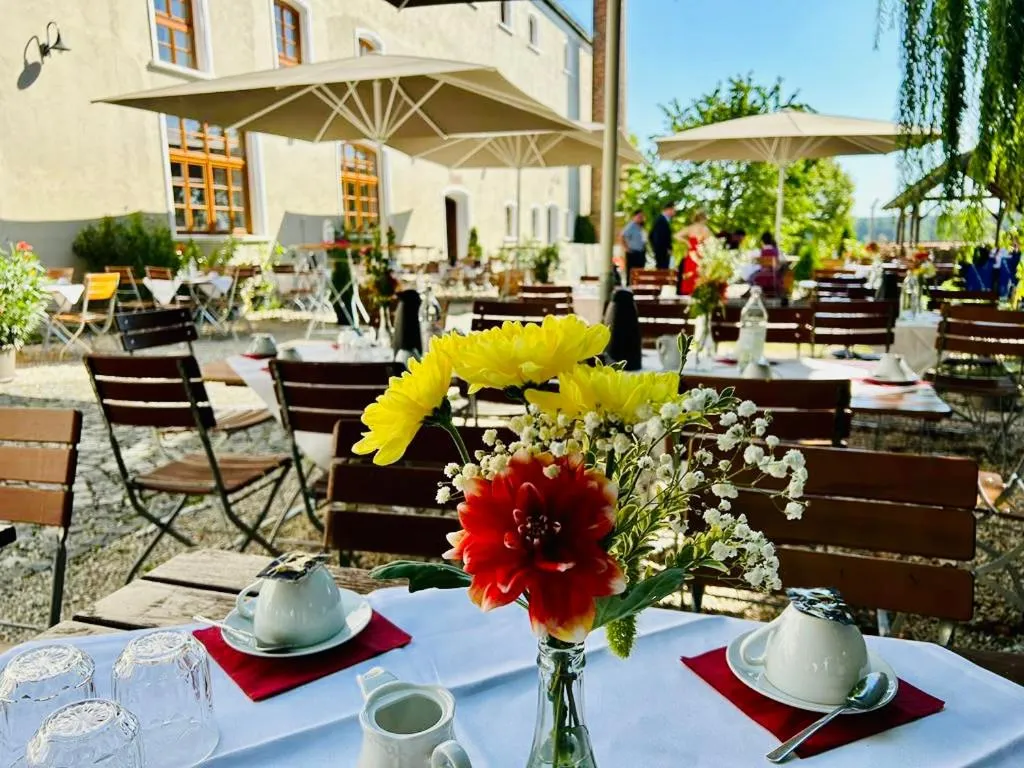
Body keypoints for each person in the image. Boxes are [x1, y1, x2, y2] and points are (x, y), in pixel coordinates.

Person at [675, 209, 714, 295]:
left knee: (689, 273)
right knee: (699, 273)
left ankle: (688, 292)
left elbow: (677, 235)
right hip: (700, 253)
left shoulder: (690, 228)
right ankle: (698, 291)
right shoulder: (705, 229)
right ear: (703, 218)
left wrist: (687, 242)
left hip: (690, 253)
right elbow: (711, 241)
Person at [620, 210, 648, 285]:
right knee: (631, 272)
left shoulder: (641, 227)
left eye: (642, 217)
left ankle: (638, 287)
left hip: (641, 252)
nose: (641, 218)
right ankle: (630, 288)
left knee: (640, 271)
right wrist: (626, 248)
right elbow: (622, 236)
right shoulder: (631, 226)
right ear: (634, 217)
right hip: (633, 252)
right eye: (639, 216)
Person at [648, 202, 676, 270]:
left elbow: (650, 235)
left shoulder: (662, 220)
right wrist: (667, 248)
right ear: (668, 209)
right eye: (674, 210)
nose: (675, 212)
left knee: (662, 270)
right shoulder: (661, 220)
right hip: (662, 252)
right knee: (662, 270)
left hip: (661, 251)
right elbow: (661, 237)